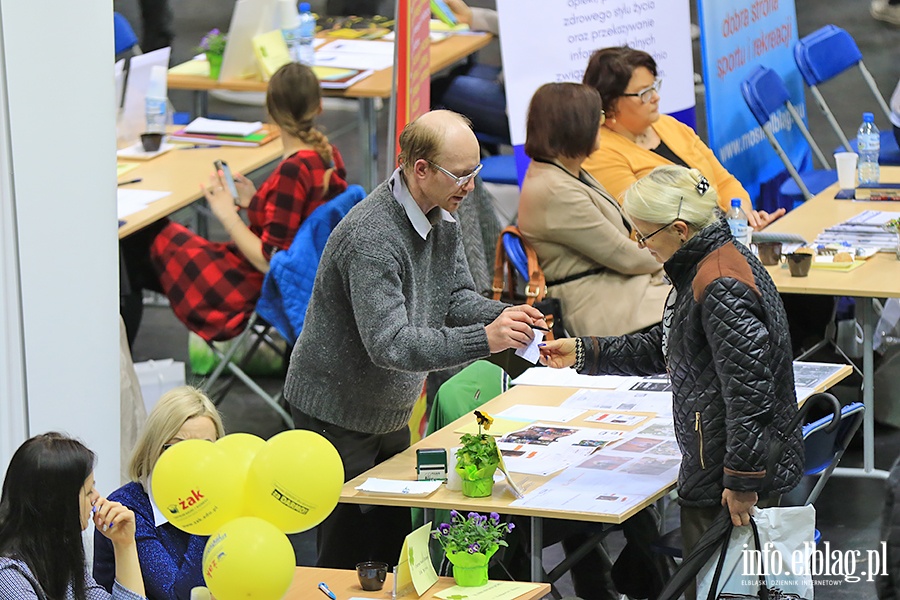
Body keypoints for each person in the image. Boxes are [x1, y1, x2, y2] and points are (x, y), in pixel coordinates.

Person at [283, 109, 546, 569]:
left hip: (389, 410)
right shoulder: (372, 237)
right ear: (419, 169)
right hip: (335, 412)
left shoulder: (443, 210)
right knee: (345, 558)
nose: (471, 186)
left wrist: (510, 318)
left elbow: (456, 297)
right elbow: (392, 345)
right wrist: (487, 338)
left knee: (394, 549)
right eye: (461, 175)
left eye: (476, 172)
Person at [538, 165, 804, 599]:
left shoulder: (718, 283)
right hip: (719, 465)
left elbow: (750, 396)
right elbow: (670, 347)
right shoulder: (705, 266)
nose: (639, 245)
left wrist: (741, 481)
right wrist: (587, 352)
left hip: (725, 479)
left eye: (644, 235)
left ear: (679, 229)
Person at [120, 62, 348, 345]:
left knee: (135, 242)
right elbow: (299, 224)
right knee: (144, 246)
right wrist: (257, 202)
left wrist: (227, 215)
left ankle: (120, 355)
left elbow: (270, 260)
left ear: (270, 110)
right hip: (295, 279)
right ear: (319, 107)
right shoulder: (327, 157)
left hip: (252, 285)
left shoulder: (294, 171)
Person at [517, 82, 669, 337]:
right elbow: (624, 257)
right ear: (575, 127)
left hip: (621, 290)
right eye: (597, 116)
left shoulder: (563, 170)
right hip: (603, 308)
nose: (603, 123)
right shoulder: (555, 190)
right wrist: (680, 257)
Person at [580, 46, 784, 231]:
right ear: (611, 103)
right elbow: (640, 226)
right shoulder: (601, 153)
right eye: (644, 93)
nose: (655, 97)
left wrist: (742, 219)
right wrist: (728, 234)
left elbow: (724, 182)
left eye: (654, 87)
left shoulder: (668, 125)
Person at [93, 387, 224, 600]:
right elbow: (179, 597)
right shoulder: (127, 510)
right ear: (154, 448)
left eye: (204, 450)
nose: (193, 462)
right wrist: (207, 513)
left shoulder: (227, 494)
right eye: (177, 448)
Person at [0, 433, 146, 599]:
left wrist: (124, 544)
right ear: (56, 501)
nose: (96, 498)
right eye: (88, 491)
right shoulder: (6, 574)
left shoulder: (59, 551)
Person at [430, 1, 508, 148]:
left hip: (528, 109)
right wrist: (472, 17)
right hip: (512, 82)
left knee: (438, 89)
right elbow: (527, 28)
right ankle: (479, 155)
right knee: (461, 72)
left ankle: (460, 161)